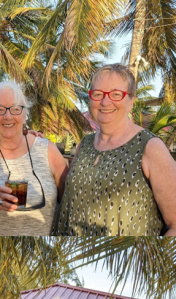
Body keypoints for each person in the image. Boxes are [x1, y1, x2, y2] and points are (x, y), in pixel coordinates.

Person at [53, 64, 176, 236]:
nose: (105, 101)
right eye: (98, 94)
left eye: (116, 94)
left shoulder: (150, 147)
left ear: (131, 100)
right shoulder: (84, 145)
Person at [0, 80, 68, 236]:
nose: (8, 116)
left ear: (24, 114)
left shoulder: (48, 151)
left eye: (15, 109)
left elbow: (71, 205)